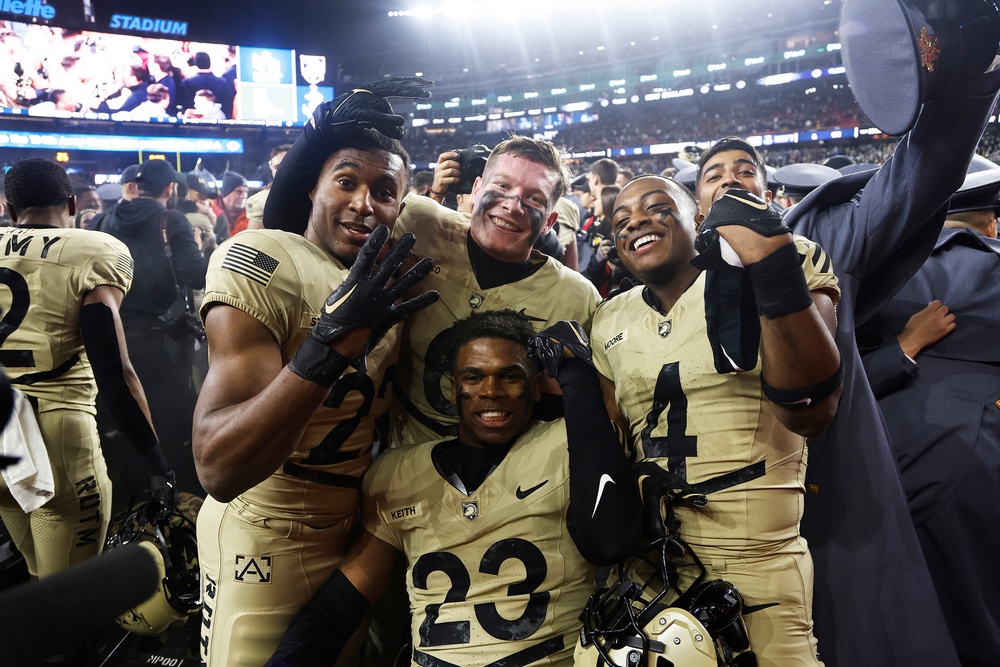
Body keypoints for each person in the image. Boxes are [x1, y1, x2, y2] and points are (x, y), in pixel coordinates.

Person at [192, 76, 439, 667]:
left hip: (353, 529)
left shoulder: (387, 276)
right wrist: (327, 348)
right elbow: (218, 466)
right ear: (313, 189)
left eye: (383, 191)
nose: (362, 202)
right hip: (263, 528)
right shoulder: (260, 260)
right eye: (345, 181)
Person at [264, 310, 642, 667]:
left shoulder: (570, 445)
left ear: (538, 386)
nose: (491, 391)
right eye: (474, 377)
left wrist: (575, 368)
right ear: (453, 389)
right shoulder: (398, 474)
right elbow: (342, 603)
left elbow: (609, 531)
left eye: (510, 376)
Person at [582, 174, 842, 665]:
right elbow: (614, 444)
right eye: (621, 219)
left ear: (698, 219)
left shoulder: (774, 261)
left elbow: (813, 406)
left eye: (658, 207)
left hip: (757, 557)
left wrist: (770, 268)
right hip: (652, 562)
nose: (636, 219)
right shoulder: (609, 318)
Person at [265, 133, 602, 446]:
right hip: (402, 464)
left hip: (512, 472)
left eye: (533, 198)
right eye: (502, 185)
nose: (513, 205)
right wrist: (314, 136)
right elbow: (293, 222)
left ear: (549, 222)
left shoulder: (577, 296)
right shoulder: (418, 220)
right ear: (476, 187)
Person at [0, 158, 174, 582]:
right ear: (73, 203)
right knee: (65, 597)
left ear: (8, 207)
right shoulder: (94, 250)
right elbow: (114, 375)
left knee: (37, 577)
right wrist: (157, 463)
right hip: (58, 429)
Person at [857, 166, 1000, 666]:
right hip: (980, 474)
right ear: (991, 224)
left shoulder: (866, 274)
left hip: (875, 477)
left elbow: (826, 383)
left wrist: (901, 348)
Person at [97, 159, 206, 503]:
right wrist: (199, 247)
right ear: (170, 189)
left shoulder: (103, 220)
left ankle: (133, 497)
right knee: (171, 420)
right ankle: (172, 497)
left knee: (125, 421)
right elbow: (194, 274)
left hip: (111, 340)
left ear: (135, 187)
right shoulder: (170, 219)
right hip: (162, 343)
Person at [211, 170, 249, 242]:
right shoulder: (211, 214)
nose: (243, 196)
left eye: (246, 192)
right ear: (226, 193)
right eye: (239, 192)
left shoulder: (251, 216)